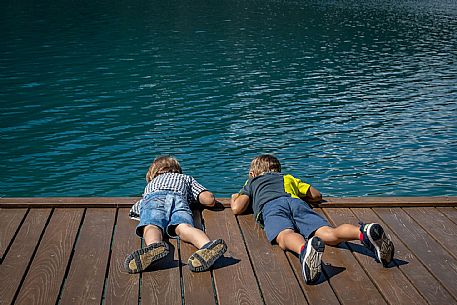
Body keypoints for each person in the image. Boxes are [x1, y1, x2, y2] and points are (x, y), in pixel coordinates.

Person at [230, 154, 395, 284]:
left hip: (272, 207)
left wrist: (234, 197)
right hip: (296, 202)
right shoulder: (287, 178)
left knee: (284, 235)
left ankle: (304, 250)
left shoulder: (252, 182)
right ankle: (362, 232)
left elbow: (238, 208)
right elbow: (316, 195)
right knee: (327, 233)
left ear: (252, 174)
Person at [125, 155, 227, 274]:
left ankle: (154, 246)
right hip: (179, 201)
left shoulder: (151, 185)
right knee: (184, 228)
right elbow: (208, 200)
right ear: (177, 170)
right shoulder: (185, 178)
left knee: (152, 226)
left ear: (152, 174)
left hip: (154, 200)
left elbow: (141, 205)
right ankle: (207, 245)